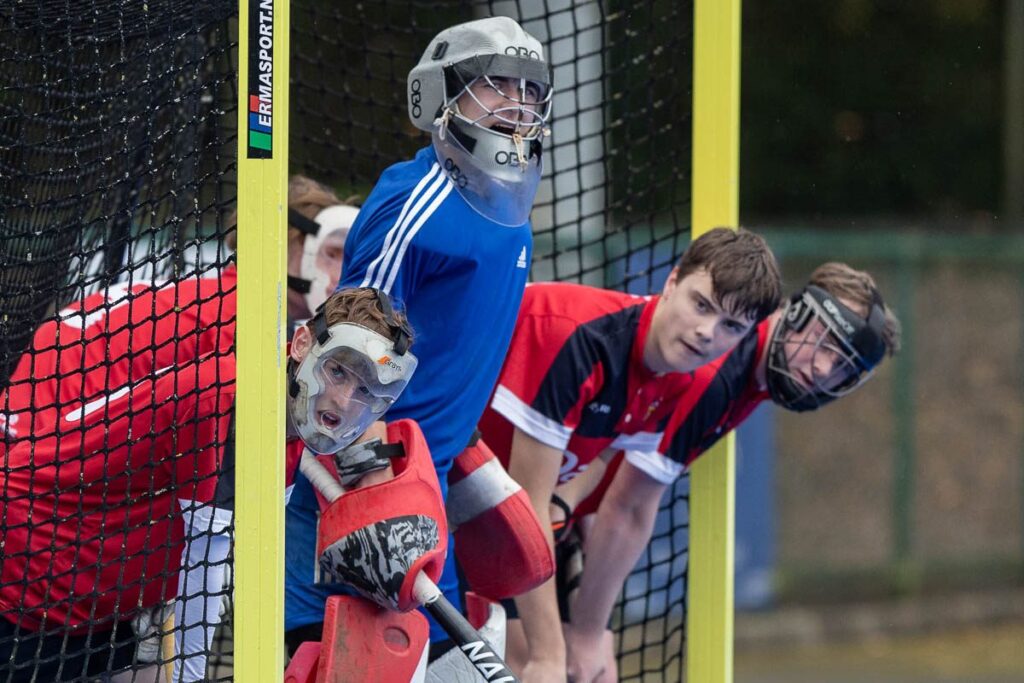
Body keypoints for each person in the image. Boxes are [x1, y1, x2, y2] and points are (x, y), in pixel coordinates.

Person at [283, 15, 555, 655]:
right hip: (363, 494)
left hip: (428, 491)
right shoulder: (415, 202)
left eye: (531, 89)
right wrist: (370, 476)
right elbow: (346, 355)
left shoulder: (511, 211)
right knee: (315, 662)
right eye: (497, 85)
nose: (519, 103)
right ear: (441, 97)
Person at [0, 277, 418, 682]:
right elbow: (206, 565)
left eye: (367, 391)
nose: (344, 401)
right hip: (27, 575)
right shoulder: (230, 401)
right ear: (303, 344)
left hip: (90, 608)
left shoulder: (286, 421)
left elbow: (251, 556)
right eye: (339, 372)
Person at [554, 262, 902, 683]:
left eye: (844, 367)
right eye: (825, 343)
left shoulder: (750, 379)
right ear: (795, 314)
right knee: (542, 665)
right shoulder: (716, 373)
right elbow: (627, 509)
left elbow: (612, 449)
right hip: (522, 494)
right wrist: (589, 633)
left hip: (560, 516)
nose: (825, 370)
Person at [474, 227, 783, 680]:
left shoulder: (689, 377)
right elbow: (525, 503)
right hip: (447, 490)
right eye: (701, 305)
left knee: (592, 668)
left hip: (505, 510)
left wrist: (589, 631)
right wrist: (550, 653)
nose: (705, 332)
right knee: (530, 664)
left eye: (730, 327)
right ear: (672, 281)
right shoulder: (581, 339)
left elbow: (606, 452)